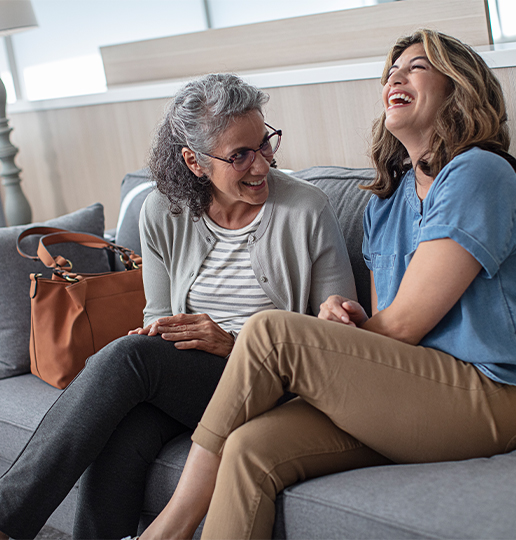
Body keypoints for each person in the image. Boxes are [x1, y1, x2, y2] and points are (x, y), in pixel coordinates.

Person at [137, 29, 516, 540]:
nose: (396, 76)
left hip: (494, 395)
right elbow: (385, 327)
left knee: (271, 332)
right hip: (413, 391)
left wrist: (326, 343)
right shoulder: (386, 203)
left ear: (458, 87)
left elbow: (404, 325)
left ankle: (168, 529)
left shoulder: (478, 172)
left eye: (417, 67)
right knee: (249, 447)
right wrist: (343, 323)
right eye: (392, 70)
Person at [0, 74, 357, 540]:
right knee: (127, 426)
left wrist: (233, 343)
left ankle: (6, 518)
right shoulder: (162, 211)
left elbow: (334, 343)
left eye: (265, 143)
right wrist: (162, 337)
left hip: (270, 383)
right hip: (193, 381)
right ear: (194, 162)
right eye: (240, 155)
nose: (262, 164)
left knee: (129, 358)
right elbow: (159, 316)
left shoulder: (307, 209)